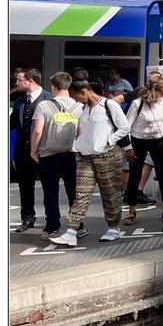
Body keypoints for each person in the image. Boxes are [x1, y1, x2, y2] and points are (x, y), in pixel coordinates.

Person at [48, 80, 130, 246]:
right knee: (81, 194)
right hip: (84, 156)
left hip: (107, 155)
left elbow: (124, 127)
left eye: (77, 96)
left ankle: (113, 227)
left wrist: (110, 139)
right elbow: (82, 131)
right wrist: (77, 145)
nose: (77, 100)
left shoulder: (109, 105)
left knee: (110, 193)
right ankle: (71, 231)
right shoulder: (84, 109)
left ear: (84, 91)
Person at [29, 72, 85, 239]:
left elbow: (37, 131)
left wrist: (33, 151)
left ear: (53, 87)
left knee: (50, 193)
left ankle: (52, 227)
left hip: (48, 155)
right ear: (69, 86)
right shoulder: (79, 107)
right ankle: (78, 226)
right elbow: (82, 133)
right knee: (73, 192)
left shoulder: (44, 105)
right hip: (71, 154)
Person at [122, 75, 163, 225]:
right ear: (160, 91)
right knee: (134, 174)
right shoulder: (138, 104)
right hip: (139, 139)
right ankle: (132, 209)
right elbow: (126, 127)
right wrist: (128, 148)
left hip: (159, 139)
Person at [11, 68, 55, 231]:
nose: (16, 83)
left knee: (49, 186)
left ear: (30, 81)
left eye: (19, 80)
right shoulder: (19, 101)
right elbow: (12, 123)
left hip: (44, 152)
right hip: (22, 152)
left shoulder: (50, 99)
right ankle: (27, 218)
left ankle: (51, 220)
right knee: (25, 186)